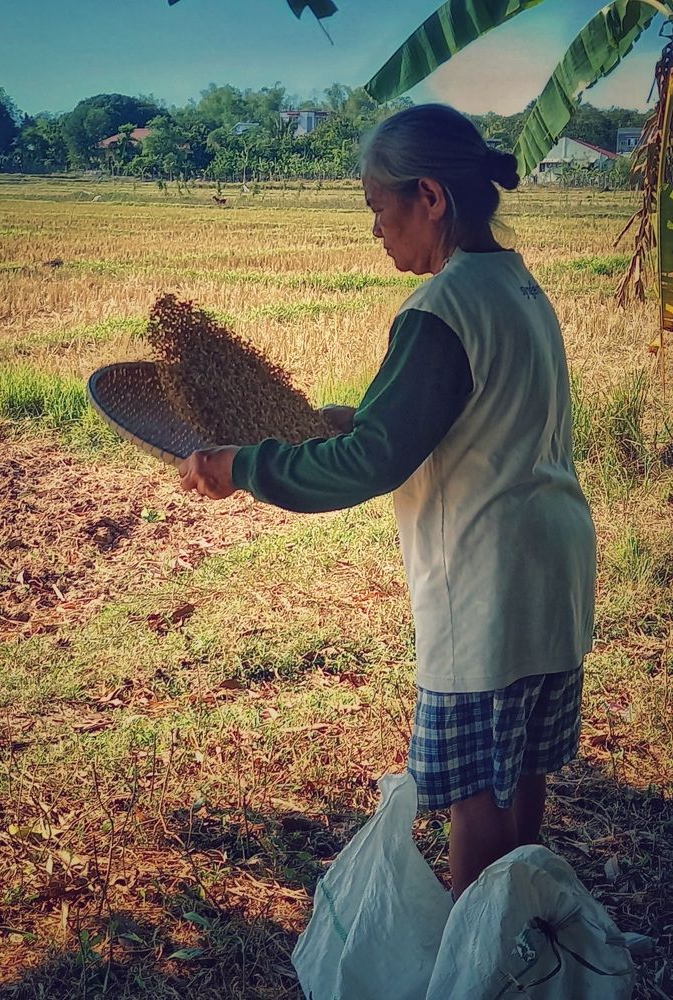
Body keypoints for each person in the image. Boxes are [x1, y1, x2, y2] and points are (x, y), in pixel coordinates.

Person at [177, 104, 596, 900]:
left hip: (485, 577)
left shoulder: (439, 309)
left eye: (378, 207)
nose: (375, 229)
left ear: (428, 197)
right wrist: (332, 423)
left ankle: (479, 972)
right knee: (521, 773)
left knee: (474, 793)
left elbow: (372, 461)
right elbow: (443, 418)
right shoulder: (513, 280)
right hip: (554, 562)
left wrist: (245, 467)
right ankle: (519, 942)